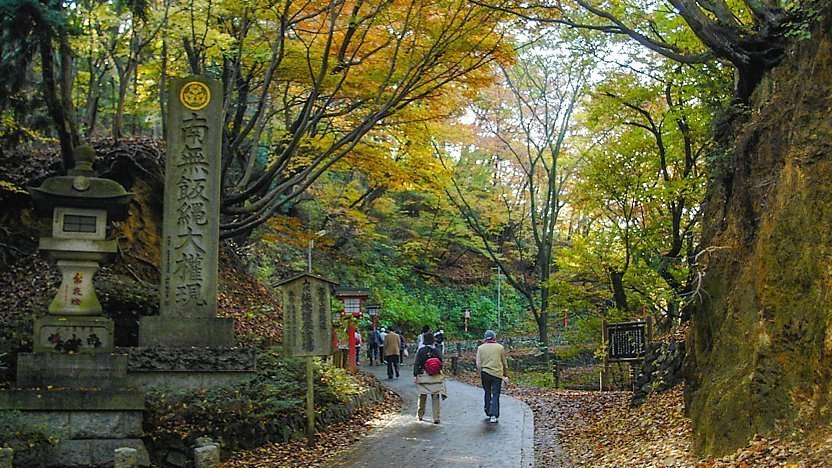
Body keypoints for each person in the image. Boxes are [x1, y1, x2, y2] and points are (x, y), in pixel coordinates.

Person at [413, 332, 446, 424]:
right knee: (435, 397)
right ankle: (436, 417)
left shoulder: (421, 351)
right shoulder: (436, 350)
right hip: (435, 376)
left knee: (422, 395)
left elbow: (417, 363)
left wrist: (415, 375)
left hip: (423, 375)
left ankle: (420, 415)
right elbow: (441, 363)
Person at [476, 330, 508, 423]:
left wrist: (480, 372)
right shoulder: (500, 347)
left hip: (485, 373)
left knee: (487, 392)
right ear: (494, 337)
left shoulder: (480, 348)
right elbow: (504, 363)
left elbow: (478, 363)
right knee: (496, 394)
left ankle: (487, 410)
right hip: (497, 374)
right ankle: (494, 414)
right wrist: (505, 374)